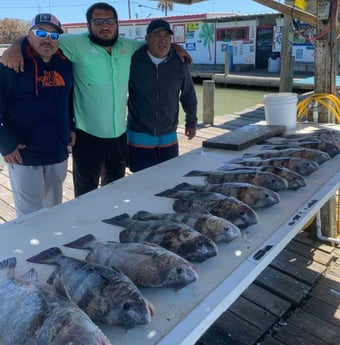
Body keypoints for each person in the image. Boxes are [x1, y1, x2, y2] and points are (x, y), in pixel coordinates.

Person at [1, 2, 192, 197]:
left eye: (110, 21)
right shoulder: (74, 43)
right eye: (98, 21)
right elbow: (41, 37)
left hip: (118, 134)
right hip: (87, 135)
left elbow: (155, 43)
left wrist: (175, 45)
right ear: (89, 24)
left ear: (117, 25)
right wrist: (16, 46)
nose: (105, 26)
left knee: (115, 189)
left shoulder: (129, 46)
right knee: (85, 192)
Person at [0, 13, 74, 217]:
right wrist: (5, 143)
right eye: (40, 32)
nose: (47, 39)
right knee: (30, 217)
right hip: (25, 155)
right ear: (28, 35)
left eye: (53, 35)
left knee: (55, 210)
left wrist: (71, 127)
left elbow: (68, 100)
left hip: (57, 153)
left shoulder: (65, 64)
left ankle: (53, 248)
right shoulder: (11, 65)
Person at [127, 19, 197, 172]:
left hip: (169, 134)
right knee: (139, 179)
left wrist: (191, 122)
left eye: (167, 36)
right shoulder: (133, 60)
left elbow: (188, 94)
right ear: (147, 39)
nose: (163, 39)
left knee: (168, 176)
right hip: (139, 133)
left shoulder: (180, 62)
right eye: (157, 35)